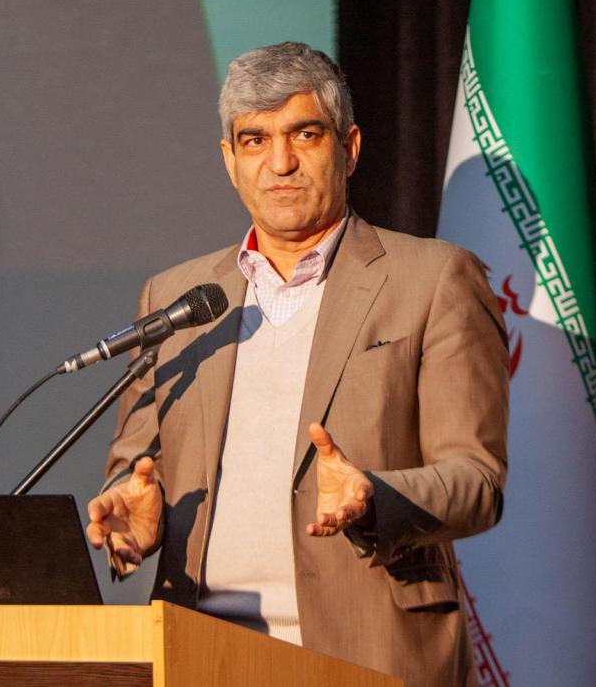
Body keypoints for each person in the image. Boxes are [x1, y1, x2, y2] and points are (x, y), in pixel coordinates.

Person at [85, 41, 508, 687]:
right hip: (199, 654)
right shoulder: (176, 299)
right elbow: (137, 465)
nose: (279, 162)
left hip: (367, 653)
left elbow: (477, 482)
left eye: (304, 135)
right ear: (229, 161)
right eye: (254, 141)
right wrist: (138, 518)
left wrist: (376, 498)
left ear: (349, 148)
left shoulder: (434, 280)